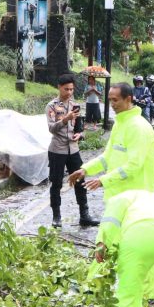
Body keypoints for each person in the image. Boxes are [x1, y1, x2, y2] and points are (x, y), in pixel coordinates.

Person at [70, 83, 154, 199]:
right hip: (118, 196)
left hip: (137, 197)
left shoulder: (138, 127)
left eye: (115, 100)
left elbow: (134, 165)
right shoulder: (120, 123)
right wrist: (85, 169)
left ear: (128, 99)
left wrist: (103, 180)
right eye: (110, 100)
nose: (112, 104)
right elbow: (108, 157)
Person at [46, 75, 99, 228]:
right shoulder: (51, 106)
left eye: (71, 89)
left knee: (80, 181)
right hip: (57, 150)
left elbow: (80, 128)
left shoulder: (75, 105)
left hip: (73, 149)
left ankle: (84, 215)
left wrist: (80, 134)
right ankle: (56, 217)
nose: (69, 92)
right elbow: (51, 128)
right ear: (59, 87)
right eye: (66, 89)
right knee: (56, 183)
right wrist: (65, 119)